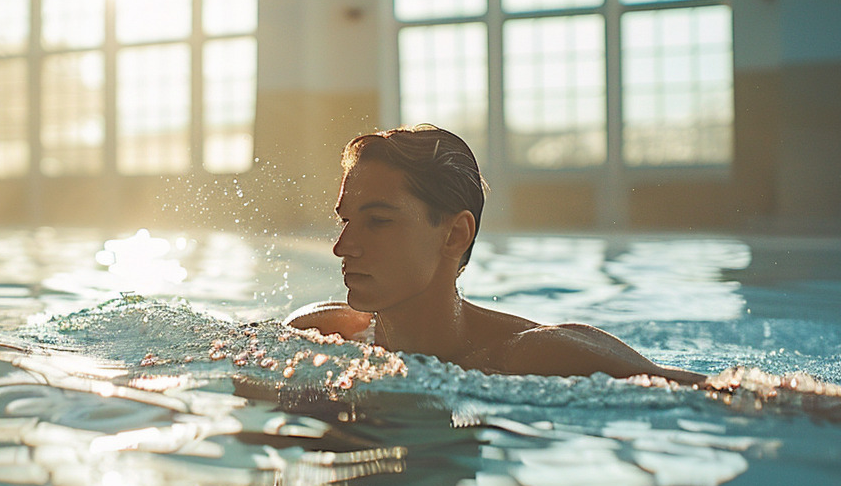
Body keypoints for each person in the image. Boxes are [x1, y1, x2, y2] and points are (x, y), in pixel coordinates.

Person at [285, 125, 706, 386]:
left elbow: (725, 397)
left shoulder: (541, 356)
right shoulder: (321, 334)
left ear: (454, 235)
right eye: (345, 221)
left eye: (377, 221)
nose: (343, 246)